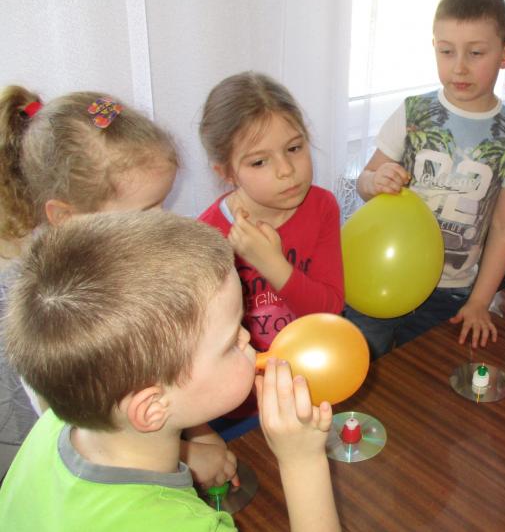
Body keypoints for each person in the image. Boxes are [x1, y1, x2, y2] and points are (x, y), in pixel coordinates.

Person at [0, 211, 339, 531]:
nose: (248, 337)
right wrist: (302, 461)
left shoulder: (55, 425)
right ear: (151, 408)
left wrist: (187, 453)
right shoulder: (185, 525)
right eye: (230, 342)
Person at [0, 87, 192, 479]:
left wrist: (198, 431)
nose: (164, 222)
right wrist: (187, 451)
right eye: (146, 212)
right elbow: (80, 436)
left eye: (164, 203)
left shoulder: (120, 254)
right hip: (52, 465)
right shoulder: (51, 305)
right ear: (66, 217)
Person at [350, 0, 505, 357]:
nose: (459, 67)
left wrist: (480, 301)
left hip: (450, 292)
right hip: (381, 271)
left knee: (424, 376)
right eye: (447, 51)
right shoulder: (413, 112)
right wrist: (376, 181)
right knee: (362, 364)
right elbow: (364, 183)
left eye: (476, 52)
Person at [198, 72, 344, 358]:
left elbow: (330, 310)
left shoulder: (322, 206)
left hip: (312, 360)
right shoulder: (206, 236)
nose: (286, 170)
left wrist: (271, 263)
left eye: (294, 148)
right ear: (226, 173)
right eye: (259, 162)